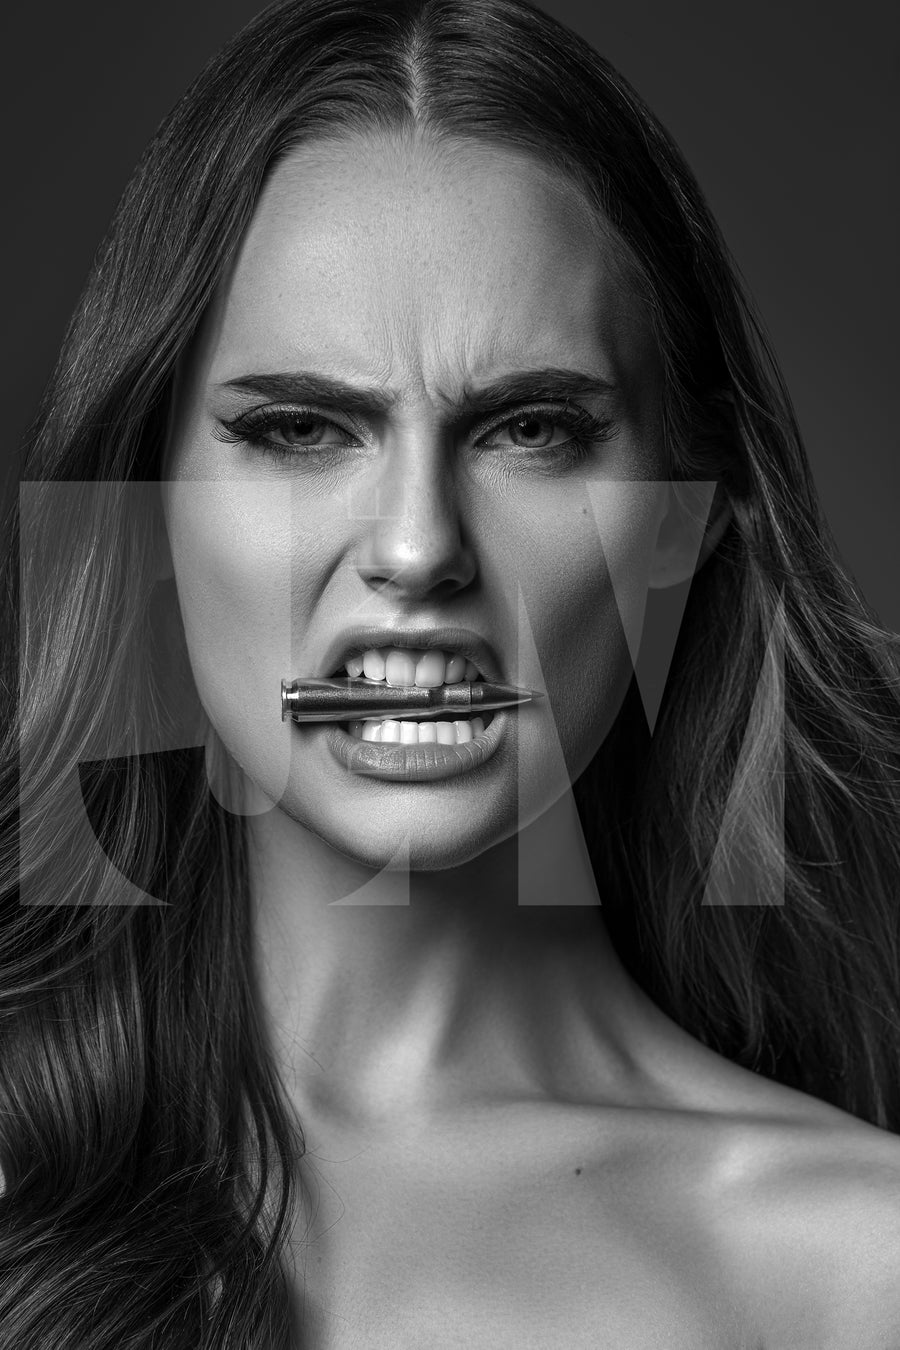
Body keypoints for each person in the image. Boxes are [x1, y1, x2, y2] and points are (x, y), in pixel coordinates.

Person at [1, 0, 899, 1345]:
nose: (418, 546)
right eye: (303, 428)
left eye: (529, 429)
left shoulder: (857, 1267)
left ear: (696, 513)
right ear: (145, 508)